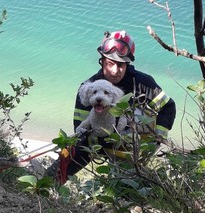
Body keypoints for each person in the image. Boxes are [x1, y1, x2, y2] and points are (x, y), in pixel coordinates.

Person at [48, 30, 176, 184]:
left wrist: (156, 141)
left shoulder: (144, 84)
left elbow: (168, 107)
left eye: (121, 65)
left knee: (126, 190)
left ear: (127, 63)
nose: (115, 71)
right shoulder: (88, 88)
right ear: (102, 61)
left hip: (129, 149)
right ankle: (42, 188)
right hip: (94, 143)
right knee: (66, 157)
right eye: (110, 64)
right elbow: (79, 127)